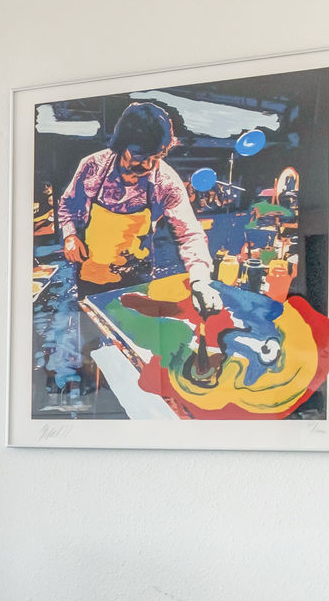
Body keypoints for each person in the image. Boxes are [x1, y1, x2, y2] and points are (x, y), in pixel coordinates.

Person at [36, 102, 222, 409]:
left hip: (136, 286)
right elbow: (67, 206)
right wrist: (70, 236)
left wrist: (201, 280)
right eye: (139, 155)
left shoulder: (165, 181)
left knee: (136, 361)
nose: (147, 166)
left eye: (157, 157)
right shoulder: (93, 167)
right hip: (90, 280)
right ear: (121, 144)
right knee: (93, 354)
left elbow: (189, 232)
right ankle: (96, 403)